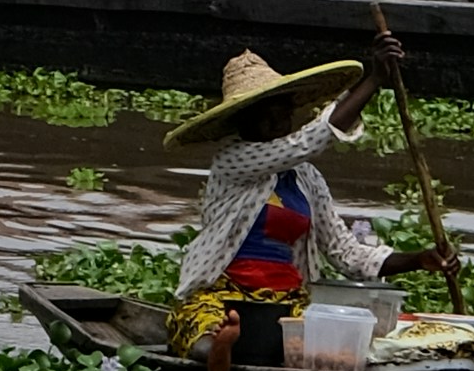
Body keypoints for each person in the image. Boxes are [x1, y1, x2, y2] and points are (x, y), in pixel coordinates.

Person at [159, 49, 384, 353]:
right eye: (266, 116)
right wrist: (374, 80)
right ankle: (218, 349)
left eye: (284, 114)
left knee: (329, 343)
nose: (278, 124)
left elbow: (346, 253)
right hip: (225, 293)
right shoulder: (232, 160)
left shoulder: (307, 177)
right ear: (243, 122)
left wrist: (422, 259)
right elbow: (308, 141)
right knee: (199, 329)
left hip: (287, 300)